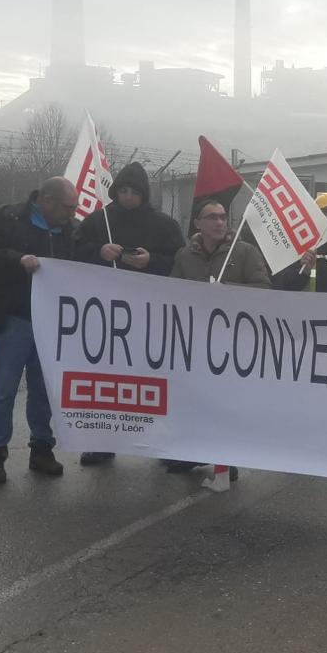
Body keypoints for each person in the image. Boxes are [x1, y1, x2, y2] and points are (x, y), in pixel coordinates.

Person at [74, 161, 185, 466]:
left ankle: (162, 444)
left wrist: (152, 262)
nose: (127, 197)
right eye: (122, 190)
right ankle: (102, 441)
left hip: (151, 314)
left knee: (155, 380)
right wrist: (99, 252)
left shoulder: (164, 225)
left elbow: (181, 262)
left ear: (144, 194)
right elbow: (72, 254)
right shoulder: (97, 222)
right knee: (107, 379)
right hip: (105, 314)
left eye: (133, 191)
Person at [0, 177, 78, 485]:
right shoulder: (7, 217)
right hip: (14, 317)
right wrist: (16, 259)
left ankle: (41, 448)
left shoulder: (70, 228)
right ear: (46, 201)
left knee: (43, 389)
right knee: (4, 389)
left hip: (51, 322)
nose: (71, 214)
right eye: (68, 208)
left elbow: (81, 262)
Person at [164, 198, 271, 474]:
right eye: (212, 217)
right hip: (196, 340)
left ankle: (226, 458)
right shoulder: (184, 256)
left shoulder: (245, 252)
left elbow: (263, 289)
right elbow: (172, 291)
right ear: (198, 223)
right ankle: (192, 452)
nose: (220, 222)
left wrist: (226, 290)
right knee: (195, 399)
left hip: (232, 341)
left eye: (223, 216)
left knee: (227, 402)